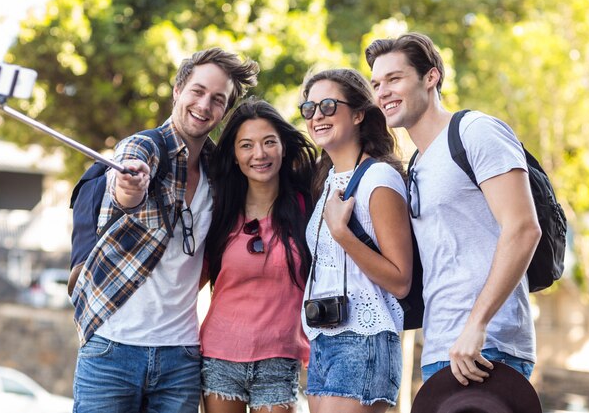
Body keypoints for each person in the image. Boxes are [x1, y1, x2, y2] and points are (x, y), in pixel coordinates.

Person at [70, 47, 259, 413]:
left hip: (181, 357)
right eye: (198, 91)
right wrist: (131, 187)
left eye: (217, 99)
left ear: (224, 111)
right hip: (112, 349)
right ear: (177, 90)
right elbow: (127, 180)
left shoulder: (219, 172)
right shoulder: (144, 147)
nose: (204, 105)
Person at [365, 32, 542, 386]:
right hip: (440, 349)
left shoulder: (475, 131)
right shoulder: (416, 164)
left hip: (488, 347)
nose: (382, 91)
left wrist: (477, 325)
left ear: (431, 77)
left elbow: (523, 228)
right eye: (376, 83)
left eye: (394, 78)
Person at [299, 68, 413, 413]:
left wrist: (342, 234)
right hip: (322, 340)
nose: (317, 115)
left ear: (359, 113)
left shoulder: (378, 178)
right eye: (309, 108)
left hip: (364, 339)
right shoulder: (328, 182)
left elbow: (400, 279)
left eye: (329, 106)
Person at [199, 97, 317, 413]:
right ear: (235, 156)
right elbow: (193, 278)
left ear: (283, 147)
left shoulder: (307, 207)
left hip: (280, 357)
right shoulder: (220, 211)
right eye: (247, 145)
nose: (259, 154)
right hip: (220, 354)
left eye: (268, 142)